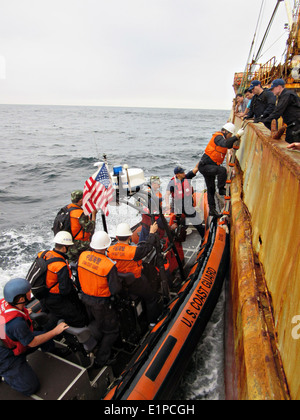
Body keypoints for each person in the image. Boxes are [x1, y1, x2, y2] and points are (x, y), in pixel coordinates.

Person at [0, 278, 68, 396]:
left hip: (9, 341)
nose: (30, 294)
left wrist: (25, 311)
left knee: (43, 336)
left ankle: (51, 350)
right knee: (31, 387)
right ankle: (7, 376)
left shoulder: (5, 303)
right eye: (28, 292)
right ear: (21, 299)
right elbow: (32, 343)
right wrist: (55, 331)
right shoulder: (16, 323)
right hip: (6, 356)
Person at [77, 231, 121, 368]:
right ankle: (102, 360)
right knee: (112, 331)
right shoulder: (108, 265)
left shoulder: (83, 256)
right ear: (105, 247)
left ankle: (92, 345)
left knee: (96, 322)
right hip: (101, 303)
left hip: (85, 299)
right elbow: (116, 290)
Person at [107, 222, 163, 324]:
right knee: (151, 298)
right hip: (135, 282)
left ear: (116, 237)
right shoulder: (134, 251)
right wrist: (151, 233)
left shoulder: (109, 250)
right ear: (130, 236)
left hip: (119, 282)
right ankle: (152, 322)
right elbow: (148, 248)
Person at [40, 231, 88, 328]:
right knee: (79, 318)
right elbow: (65, 290)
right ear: (64, 248)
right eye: (69, 247)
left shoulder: (43, 254)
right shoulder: (61, 265)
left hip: (42, 294)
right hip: (54, 298)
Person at [198, 122, 244, 217]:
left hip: (209, 166)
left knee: (211, 189)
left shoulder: (223, 138)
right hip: (205, 166)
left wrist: (236, 138)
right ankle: (221, 189)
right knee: (222, 170)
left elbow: (229, 145)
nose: (230, 136)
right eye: (230, 134)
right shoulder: (218, 137)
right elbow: (225, 143)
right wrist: (237, 135)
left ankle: (212, 210)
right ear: (226, 132)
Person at [165, 165, 203, 237]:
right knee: (175, 223)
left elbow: (195, 169)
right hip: (177, 205)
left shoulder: (187, 177)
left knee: (197, 222)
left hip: (187, 205)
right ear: (177, 174)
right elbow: (167, 195)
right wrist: (167, 204)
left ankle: (203, 236)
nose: (184, 173)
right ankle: (174, 238)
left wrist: (202, 161)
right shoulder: (172, 183)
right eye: (182, 172)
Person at [260, 79, 300, 143]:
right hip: (292, 125)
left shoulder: (287, 95)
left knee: (292, 145)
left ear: (279, 87)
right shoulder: (283, 96)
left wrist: (265, 121)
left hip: (296, 126)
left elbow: (278, 111)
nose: (272, 91)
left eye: (273, 89)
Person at [66, 190, 98, 262]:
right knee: (95, 248)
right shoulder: (81, 214)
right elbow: (90, 228)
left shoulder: (67, 209)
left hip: (68, 242)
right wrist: (94, 214)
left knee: (71, 263)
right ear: (80, 200)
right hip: (79, 244)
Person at [139, 176, 164, 243]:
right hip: (148, 216)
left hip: (154, 214)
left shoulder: (159, 193)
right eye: (157, 183)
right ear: (153, 184)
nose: (159, 185)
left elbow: (160, 206)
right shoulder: (147, 193)